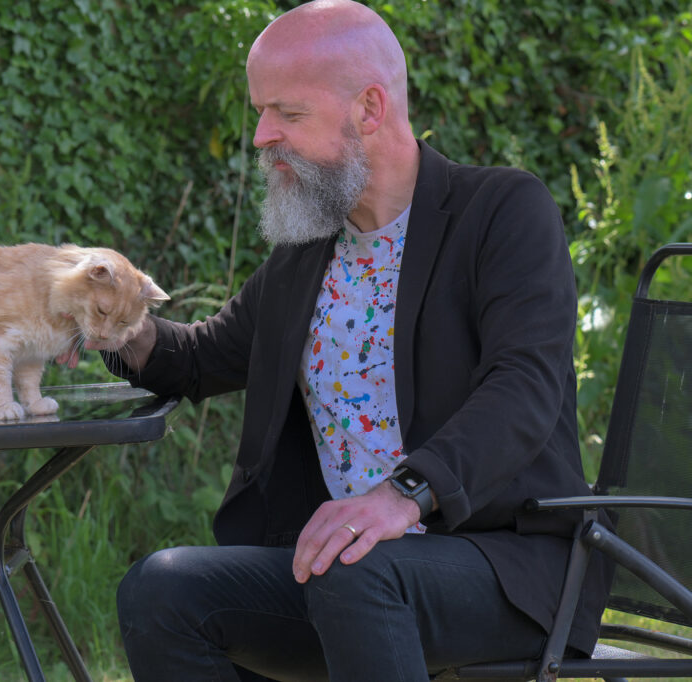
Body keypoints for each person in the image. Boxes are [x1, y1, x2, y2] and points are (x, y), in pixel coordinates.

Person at [88, 1, 612, 679]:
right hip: (349, 574)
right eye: (260, 111)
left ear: (369, 109)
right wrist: (101, 315)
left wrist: (403, 494)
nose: (261, 136)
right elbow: (198, 357)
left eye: (288, 114)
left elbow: (524, 389)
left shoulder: (501, 213)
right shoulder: (310, 252)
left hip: (507, 567)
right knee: (161, 590)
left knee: (356, 572)